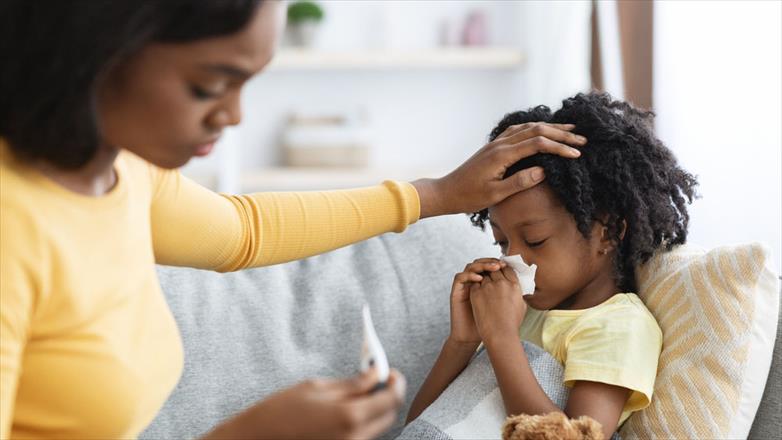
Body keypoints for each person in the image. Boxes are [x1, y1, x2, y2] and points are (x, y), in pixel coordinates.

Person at [0, 1, 588, 439]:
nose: (233, 115)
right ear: (98, 51)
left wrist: (438, 193)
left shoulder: (121, 171)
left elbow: (243, 231)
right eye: (209, 85)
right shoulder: (15, 227)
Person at [407, 92, 698, 438]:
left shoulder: (618, 326)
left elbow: (573, 436)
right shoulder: (523, 312)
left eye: (535, 241)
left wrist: (501, 339)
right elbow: (419, 426)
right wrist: (463, 341)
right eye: (501, 242)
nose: (512, 258)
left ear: (608, 233)